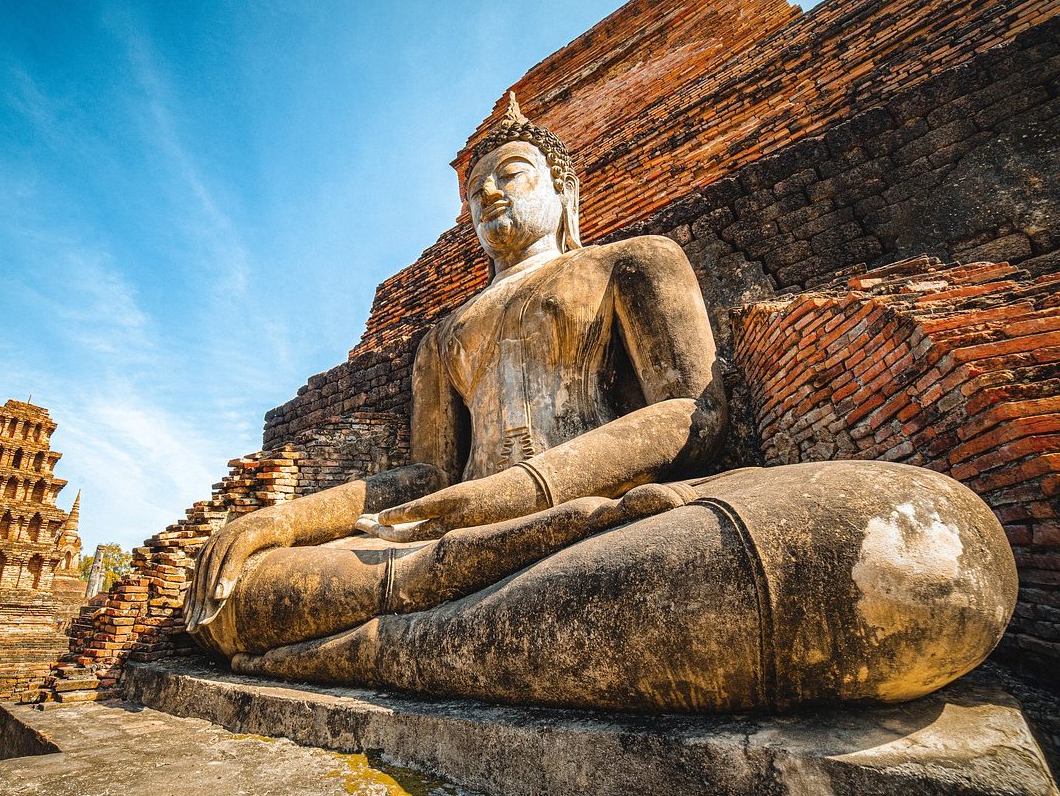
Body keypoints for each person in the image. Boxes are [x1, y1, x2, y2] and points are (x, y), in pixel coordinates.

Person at [184, 95, 1015, 713]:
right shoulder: (443, 336)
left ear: (566, 191)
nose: (489, 199)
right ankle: (421, 638)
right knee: (229, 592)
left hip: (591, 520)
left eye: (512, 175)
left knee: (922, 547)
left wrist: (523, 494)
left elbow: (694, 413)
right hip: (449, 547)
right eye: (475, 193)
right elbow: (426, 473)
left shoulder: (632, 262)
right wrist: (285, 523)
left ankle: (375, 648)